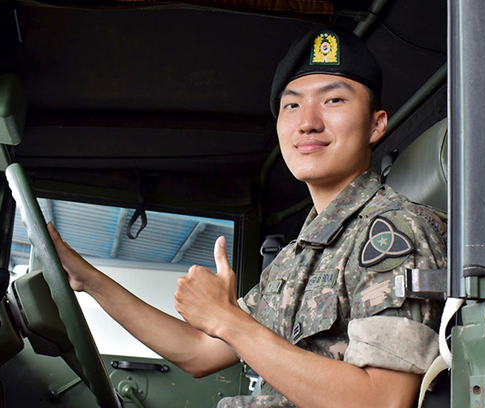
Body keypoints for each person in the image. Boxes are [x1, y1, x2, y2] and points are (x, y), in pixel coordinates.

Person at [48, 26, 446, 408]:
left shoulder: (394, 231)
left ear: (377, 124)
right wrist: (89, 280)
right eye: (292, 105)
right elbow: (199, 351)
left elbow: (381, 401)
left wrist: (228, 319)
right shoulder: (297, 256)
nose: (308, 122)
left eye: (334, 101)